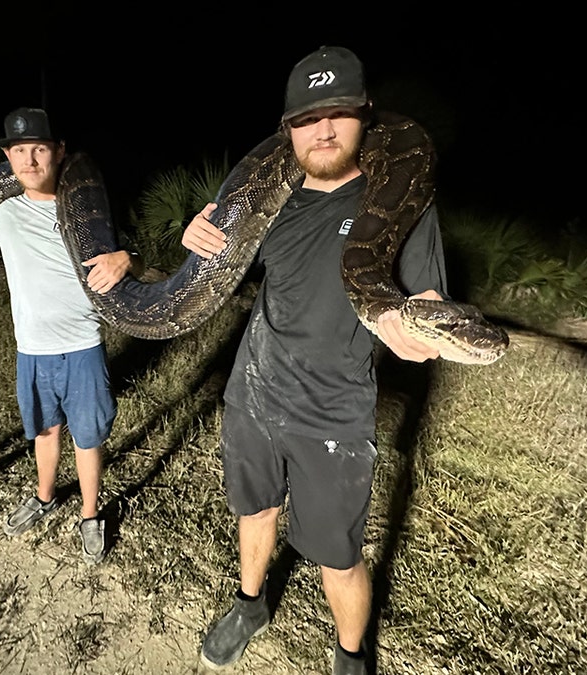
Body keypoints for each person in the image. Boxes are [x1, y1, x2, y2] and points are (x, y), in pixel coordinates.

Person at [182, 46, 448, 675]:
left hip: (334, 411)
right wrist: (196, 240)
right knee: (254, 510)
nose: (323, 130)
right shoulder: (268, 206)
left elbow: (426, 298)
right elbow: (215, 279)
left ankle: (351, 653)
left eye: (339, 114)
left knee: (338, 556)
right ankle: (250, 604)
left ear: (366, 117)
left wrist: (417, 324)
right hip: (252, 392)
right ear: (288, 130)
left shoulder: (404, 203)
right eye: (307, 119)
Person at [0, 107, 143, 564]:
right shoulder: (3, 214)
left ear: (58, 152)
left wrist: (127, 257)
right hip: (33, 349)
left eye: (39, 149)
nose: (29, 161)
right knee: (45, 431)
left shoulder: (84, 208)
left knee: (87, 436)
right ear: (8, 157)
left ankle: (89, 514)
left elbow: (131, 258)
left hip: (83, 344)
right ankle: (45, 496)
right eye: (18, 151)